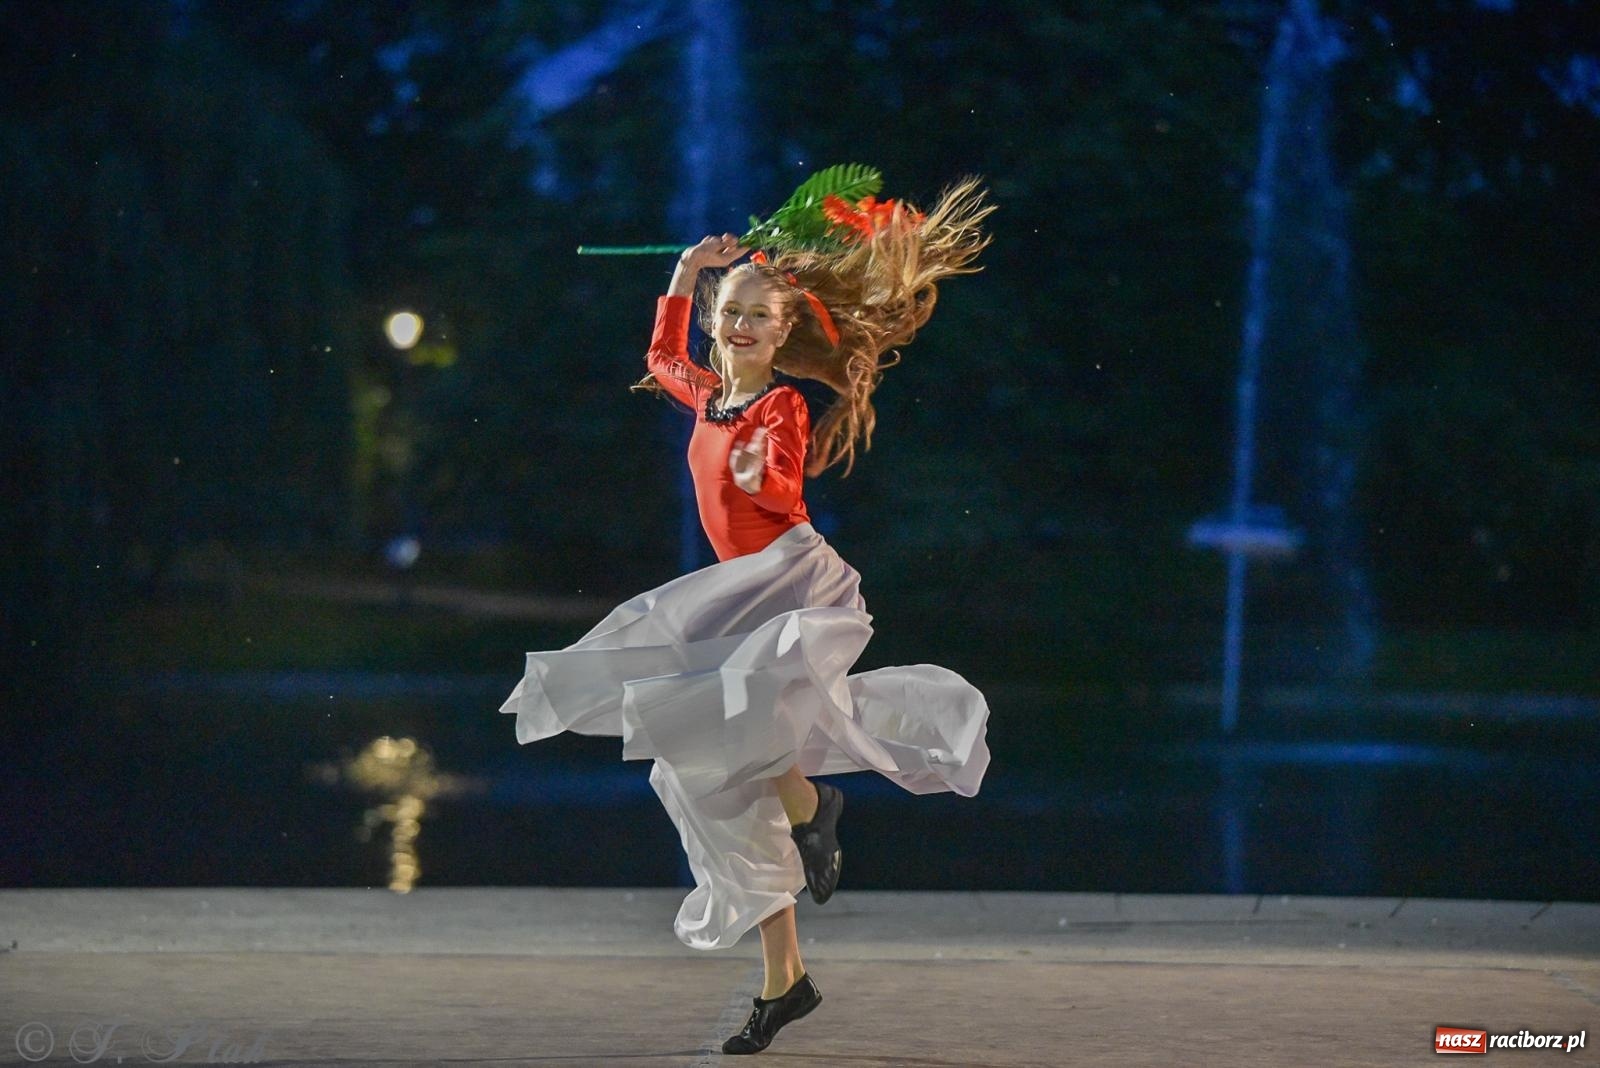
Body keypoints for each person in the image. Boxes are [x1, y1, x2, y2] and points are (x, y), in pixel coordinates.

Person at [500, 179, 995, 1055]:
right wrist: (688, 273)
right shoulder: (704, 391)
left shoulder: (781, 405)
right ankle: (786, 979)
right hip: (738, 598)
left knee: (741, 739)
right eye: (730, 312)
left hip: (792, 585)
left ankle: (813, 807)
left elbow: (779, 484)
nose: (739, 327)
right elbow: (661, 356)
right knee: (706, 777)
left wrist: (761, 472)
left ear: (781, 333)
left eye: (758, 318)